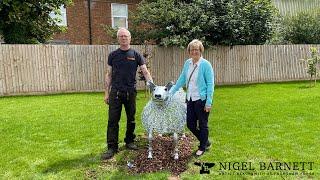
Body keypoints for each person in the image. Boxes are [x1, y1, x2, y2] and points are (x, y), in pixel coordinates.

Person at [101, 28, 153, 160]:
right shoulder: (113, 55)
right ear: (118, 39)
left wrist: (153, 87)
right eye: (121, 36)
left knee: (131, 119)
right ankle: (112, 147)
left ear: (130, 38)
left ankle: (129, 141)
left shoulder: (136, 54)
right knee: (113, 120)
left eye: (126, 36)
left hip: (130, 92)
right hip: (116, 93)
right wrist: (106, 93)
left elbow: (145, 72)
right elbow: (109, 74)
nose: (124, 38)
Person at [170, 39, 214, 157]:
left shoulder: (206, 65)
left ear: (201, 51)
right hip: (190, 98)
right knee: (190, 124)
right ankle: (205, 141)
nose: (194, 51)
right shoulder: (187, 63)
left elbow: (210, 84)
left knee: (203, 124)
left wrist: (208, 102)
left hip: (202, 99)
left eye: (197, 49)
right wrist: (171, 92)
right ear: (189, 51)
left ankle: (202, 146)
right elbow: (182, 79)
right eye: (192, 49)